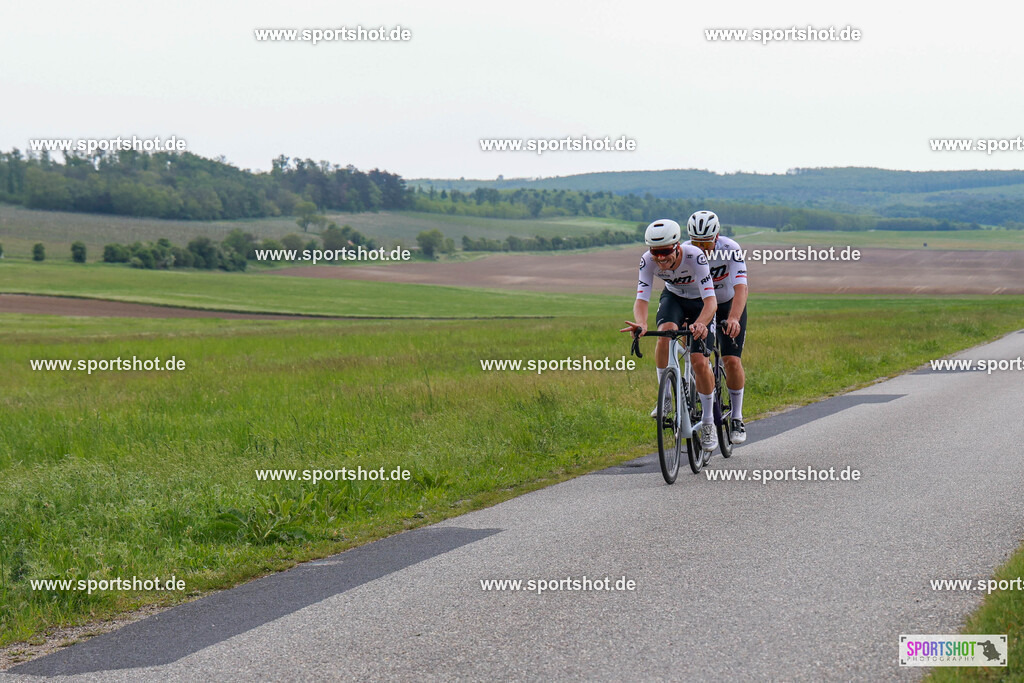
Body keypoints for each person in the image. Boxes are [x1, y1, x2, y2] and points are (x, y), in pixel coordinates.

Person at [620, 218, 719, 452]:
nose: (660, 258)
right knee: (664, 333)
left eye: (665, 252)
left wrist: (702, 324)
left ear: (677, 246)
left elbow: (711, 301)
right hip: (673, 298)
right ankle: (665, 399)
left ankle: (707, 422)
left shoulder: (695, 257)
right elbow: (642, 298)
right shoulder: (647, 261)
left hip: (700, 304)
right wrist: (642, 324)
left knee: (698, 360)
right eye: (656, 252)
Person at [684, 210, 748, 443]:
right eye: (696, 242)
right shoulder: (685, 252)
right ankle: (692, 392)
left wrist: (733, 318)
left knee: (731, 360)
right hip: (701, 306)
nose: (701, 248)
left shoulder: (731, 248)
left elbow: (741, 288)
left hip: (728, 303)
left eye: (706, 243)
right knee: (695, 356)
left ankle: (737, 417)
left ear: (717, 236)